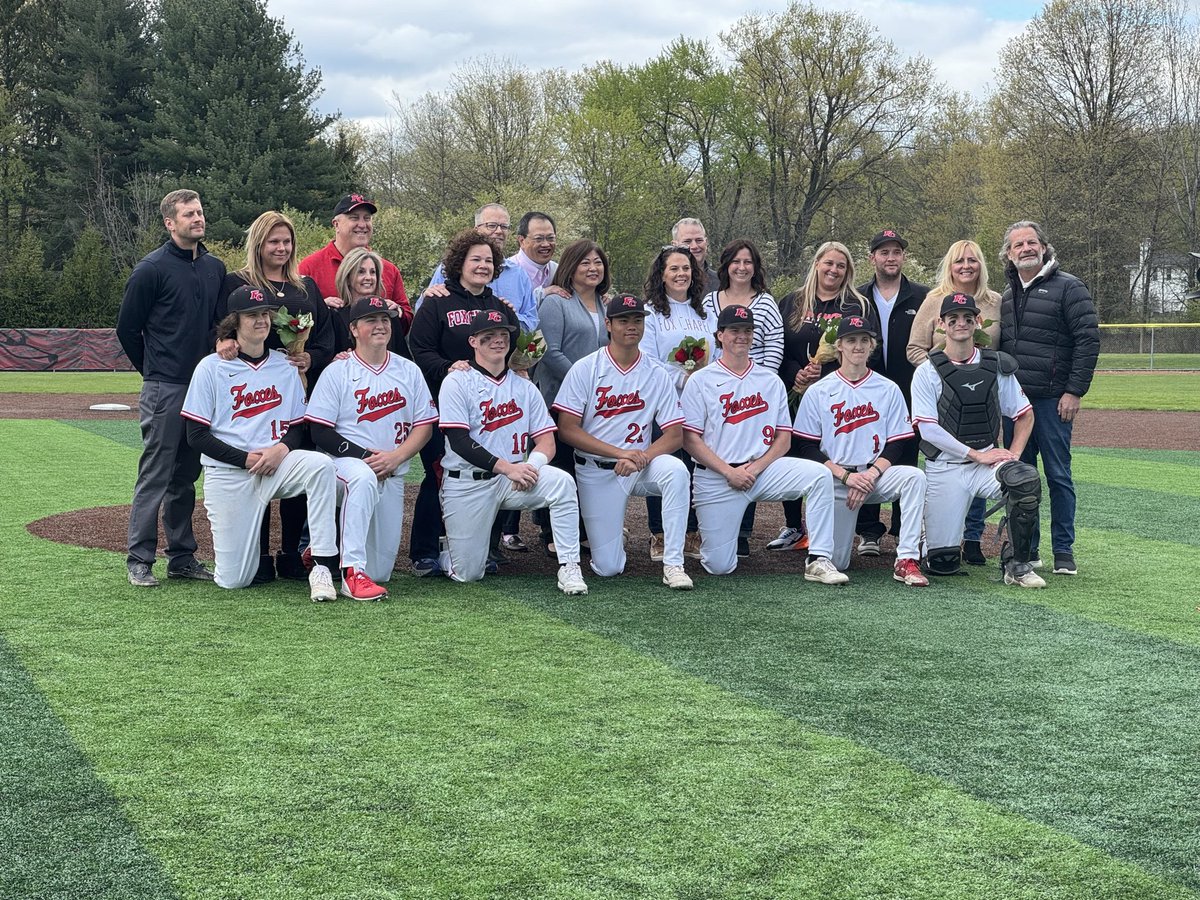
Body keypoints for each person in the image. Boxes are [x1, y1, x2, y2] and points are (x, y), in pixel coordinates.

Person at [180, 285, 341, 601]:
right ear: (235, 322)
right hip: (230, 474)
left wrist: (280, 449)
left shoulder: (285, 365)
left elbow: (297, 426)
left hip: (278, 464)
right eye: (252, 315)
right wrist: (245, 459)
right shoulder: (211, 367)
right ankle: (240, 564)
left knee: (321, 466)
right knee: (233, 580)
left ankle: (322, 565)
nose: (261, 321)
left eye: (265, 314)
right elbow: (195, 435)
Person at [681, 305, 847, 583]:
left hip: (763, 471)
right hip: (716, 476)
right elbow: (689, 439)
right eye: (734, 330)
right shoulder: (700, 380)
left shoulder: (769, 380)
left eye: (747, 331)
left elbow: (783, 439)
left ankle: (819, 559)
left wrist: (756, 468)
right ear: (720, 335)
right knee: (719, 566)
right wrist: (729, 472)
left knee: (819, 475)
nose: (741, 336)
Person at [215, 210, 336, 583]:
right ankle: (260, 553)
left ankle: (289, 553)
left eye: (286, 242)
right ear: (259, 244)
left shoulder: (307, 287)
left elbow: (327, 341)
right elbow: (221, 328)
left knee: (296, 466)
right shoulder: (237, 282)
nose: (281, 248)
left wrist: (310, 356)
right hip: (252, 392)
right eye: (274, 241)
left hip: (298, 388)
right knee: (259, 467)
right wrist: (224, 342)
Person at [437, 310, 588, 595]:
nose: (497, 341)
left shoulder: (524, 386)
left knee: (562, 483)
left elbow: (547, 440)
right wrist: (509, 468)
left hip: (515, 478)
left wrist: (531, 466)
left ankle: (570, 565)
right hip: (469, 482)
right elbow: (458, 440)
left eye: (504, 336)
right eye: (489, 336)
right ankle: (450, 548)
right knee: (468, 574)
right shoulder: (457, 381)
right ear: (473, 341)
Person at [116, 188, 224, 587]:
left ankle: (181, 557)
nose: (198, 218)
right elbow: (127, 328)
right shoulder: (151, 269)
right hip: (165, 386)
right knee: (156, 474)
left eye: (199, 211)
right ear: (170, 223)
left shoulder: (214, 267)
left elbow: (219, 324)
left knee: (185, 475)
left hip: (204, 388)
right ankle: (139, 559)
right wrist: (152, 370)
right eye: (189, 214)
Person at [553, 293, 693, 590]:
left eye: (638, 320)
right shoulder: (586, 368)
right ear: (608, 324)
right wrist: (622, 453)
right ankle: (612, 530)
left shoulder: (656, 372)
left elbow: (675, 434)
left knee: (677, 471)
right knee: (608, 568)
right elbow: (567, 429)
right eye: (624, 320)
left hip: (640, 466)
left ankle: (674, 563)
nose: (632, 326)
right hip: (597, 469)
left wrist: (641, 456)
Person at [305, 296, 437, 599]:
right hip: (343, 464)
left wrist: (397, 457)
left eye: (385, 319)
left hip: (391, 471)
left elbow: (424, 426)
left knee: (380, 570)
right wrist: (366, 457)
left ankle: (327, 545)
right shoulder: (337, 371)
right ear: (354, 328)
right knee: (361, 477)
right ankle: (351, 573)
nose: (380, 325)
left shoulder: (408, 370)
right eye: (371, 320)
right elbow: (319, 431)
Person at [911, 292, 1045, 588]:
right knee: (942, 563)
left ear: (978, 322)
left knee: (1024, 479)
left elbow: (1024, 414)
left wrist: (1013, 454)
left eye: (968, 318)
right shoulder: (926, 371)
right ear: (941, 324)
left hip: (985, 464)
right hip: (945, 467)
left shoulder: (996, 365)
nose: (961, 323)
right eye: (953, 318)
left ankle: (1018, 564)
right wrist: (975, 454)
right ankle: (928, 536)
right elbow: (928, 429)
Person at [407, 229, 521, 576]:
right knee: (439, 473)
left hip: (489, 408)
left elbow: (511, 347)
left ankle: (484, 547)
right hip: (444, 400)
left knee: (489, 471)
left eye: (488, 260)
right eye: (476, 259)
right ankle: (425, 551)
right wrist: (446, 367)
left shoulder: (498, 306)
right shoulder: (438, 301)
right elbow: (419, 348)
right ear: (459, 264)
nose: (483, 265)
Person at [792, 315, 928, 585]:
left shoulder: (888, 389)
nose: (858, 346)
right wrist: (847, 477)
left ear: (871, 345)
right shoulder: (819, 390)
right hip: (834, 481)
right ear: (839, 346)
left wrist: (870, 475)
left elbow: (898, 441)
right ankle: (824, 557)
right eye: (851, 340)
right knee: (839, 561)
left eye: (864, 340)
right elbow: (805, 445)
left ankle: (907, 559)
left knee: (915, 477)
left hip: (874, 477)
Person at [998, 221, 1100, 576]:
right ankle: (1027, 549)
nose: (1025, 248)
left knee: (1058, 475)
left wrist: (1074, 390)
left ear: (1043, 247)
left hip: (1053, 401)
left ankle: (1063, 551)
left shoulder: (1069, 287)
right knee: (1018, 478)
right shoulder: (1007, 294)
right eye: (1017, 245)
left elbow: (1088, 340)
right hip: (1015, 405)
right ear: (1009, 254)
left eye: (1031, 242)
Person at [770, 241, 873, 556]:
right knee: (793, 453)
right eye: (828, 263)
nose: (834, 270)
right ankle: (793, 526)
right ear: (816, 264)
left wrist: (827, 371)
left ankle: (829, 526)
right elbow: (781, 349)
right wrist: (795, 375)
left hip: (838, 395)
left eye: (841, 266)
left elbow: (864, 350)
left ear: (848, 271)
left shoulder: (856, 305)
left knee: (827, 454)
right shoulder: (792, 302)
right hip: (795, 392)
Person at [907, 239, 1002, 566]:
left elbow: (1004, 352)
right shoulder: (934, 300)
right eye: (959, 260)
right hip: (943, 396)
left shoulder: (995, 302)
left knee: (983, 456)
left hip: (981, 396)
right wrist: (943, 372)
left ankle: (973, 538)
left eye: (972, 260)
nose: (966, 266)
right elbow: (914, 347)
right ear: (950, 265)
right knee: (950, 461)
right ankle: (936, 537)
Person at [701, 238, 786, 558]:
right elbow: (705, 343)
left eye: (748, 262)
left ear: (756, 267)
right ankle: (706, 527)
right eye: (736, 261)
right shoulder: (709, 301)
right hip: (713, 388)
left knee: (749, 452)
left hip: (755, 391)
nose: (742, 267)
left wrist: (753, 385)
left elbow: (774, 348)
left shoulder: (764, 302)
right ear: (725, 266)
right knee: (714, 454)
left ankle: (743, 531)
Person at [527, 239, 612, 554]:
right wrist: (584, 383)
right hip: (560, 398)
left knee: (586, 466)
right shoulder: (556, 302)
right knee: (561, 464)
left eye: (597, 262)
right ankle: (554, 534)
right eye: (585, 262)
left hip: (596, 401)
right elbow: (549, 351)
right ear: (570, 267)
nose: (592, 268)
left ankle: (585, 529)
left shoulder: (605, 304)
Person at [639, 244, 718, 562]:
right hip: (665, 404)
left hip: (701, 404)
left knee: (697, 467)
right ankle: (659, 534)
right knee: (666, 467)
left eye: (686, 268)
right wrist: (684, 377)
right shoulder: (651, 312)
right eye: (673, 268)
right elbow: (647, 360)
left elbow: (720, 353)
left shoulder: (705, 311)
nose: (681, 274)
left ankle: (690, 532)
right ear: (661, 274)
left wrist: (704, 382)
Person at [855, 229, 929, 557]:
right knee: (864, 453)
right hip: (867, 389)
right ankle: (868, 531)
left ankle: (902, 528)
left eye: (896, 252)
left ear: (903, 256)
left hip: (910, 389)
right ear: (872, 257)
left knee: (906, 456)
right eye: (883, 252)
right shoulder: (857, 297)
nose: (890, 258)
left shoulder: (922, 296)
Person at [300, 193, 413, 338]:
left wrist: (399, 313)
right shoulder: (309, 267)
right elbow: (298, 321)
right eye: (354, 218)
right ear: (336, 224)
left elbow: (407, 324)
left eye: (367, 218)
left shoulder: (389, 270)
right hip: (330, 358)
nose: (362, 224)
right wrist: (319, 310)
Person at [423, 203, 538, 331]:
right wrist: (427, 295)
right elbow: (425, 314)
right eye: (491, 226)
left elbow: (531, 322)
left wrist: (506, 317)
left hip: (505, 348)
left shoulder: (519, 275)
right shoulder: (452, 267)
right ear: (476, 229)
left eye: (504, 227)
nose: (499, 231)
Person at [331, 246, 409, 358]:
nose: (368, 277)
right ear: (347, 277)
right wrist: (334, 361)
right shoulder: (334, 316)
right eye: (361, 272)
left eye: (373, 272)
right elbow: (323, 357)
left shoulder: (389, 312)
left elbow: (403, 358)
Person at [510, 211, 559, 290]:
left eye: (550, 238)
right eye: (539, 239)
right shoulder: (507, 272)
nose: (546, 244)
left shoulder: (557, 271)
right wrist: (542, 294)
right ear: (522, 241)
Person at [672, 217, 719, 293]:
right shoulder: (664, 284)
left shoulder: (722, 283)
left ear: (706, 242)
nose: (694, 246)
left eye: (699, 240)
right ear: (675, 245)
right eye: (687, 241)